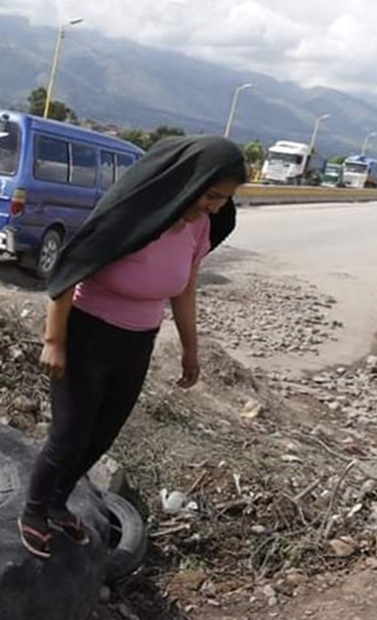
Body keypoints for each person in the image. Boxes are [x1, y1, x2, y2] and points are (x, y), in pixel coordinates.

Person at [19, 136, 248, 559]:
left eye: (224, 199)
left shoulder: (199, 227)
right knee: (69, 435)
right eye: (212, 195)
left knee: (101, 436)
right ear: (190, 181)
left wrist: (190, 349)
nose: (216, 207)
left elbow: (185, 291)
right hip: (87, 334)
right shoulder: (132, 214)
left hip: (138, 342)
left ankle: (58, 501)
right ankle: (33, 510)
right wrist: (54, 341)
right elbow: (68, 273)